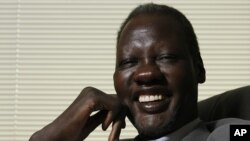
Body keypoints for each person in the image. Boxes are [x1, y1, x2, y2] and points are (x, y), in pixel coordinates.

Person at [29, 3, 249, 141]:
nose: (145, 74)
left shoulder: (226, 134)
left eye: (165, 57)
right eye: (128, 62)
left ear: (198, 69)